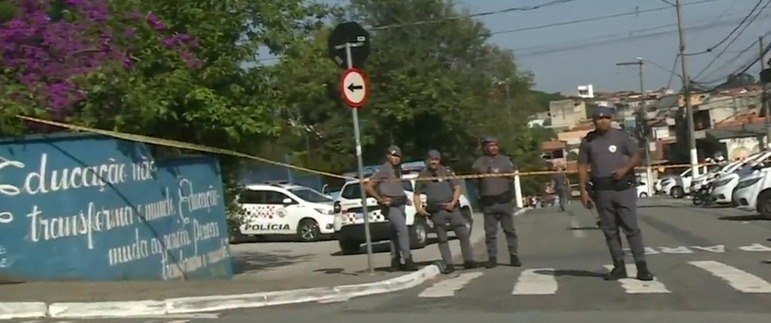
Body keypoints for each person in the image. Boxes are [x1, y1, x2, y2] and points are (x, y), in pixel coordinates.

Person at [577, 106, 654, 281]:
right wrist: (583, 191)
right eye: (599, 117)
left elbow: (636, 155)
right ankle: (619, 266)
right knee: (610, 230)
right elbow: (582, 166)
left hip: (623, 188)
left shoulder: (621, 137)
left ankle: (642, 267)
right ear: (593, 120)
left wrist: (625, 168)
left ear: (611, 119)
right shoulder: (588, 141)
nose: (603, 120)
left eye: (606, 117)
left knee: (631, 228)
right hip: (602, 190)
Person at [414, 150, 476, 274]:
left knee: (463, 234)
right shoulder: (423, 175)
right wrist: (419, 208)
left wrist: (453, 202)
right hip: (437, 211)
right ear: (427, 160)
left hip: (452, 208)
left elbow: (458, 188)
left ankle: (469, 260)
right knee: (442, 239)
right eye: (431, 159)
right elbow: (417, 194)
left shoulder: (446, 171)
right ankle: (448, 264)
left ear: (439, 160)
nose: (433, 162)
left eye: (436, 159)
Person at [365, 145, 417, 272]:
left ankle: (395, 261)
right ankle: (407, 259)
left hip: (400, 203)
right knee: (403, 230)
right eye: (393, 155)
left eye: (398, 156)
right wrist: (380, 199)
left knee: (395, 233)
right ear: (388, 156)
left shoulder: (397, 169)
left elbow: (397, 187)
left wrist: (405, 198)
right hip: (391, 205)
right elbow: (369, 186)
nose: (396, 158)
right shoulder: (384, 169)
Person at [471, 137, 521, 268]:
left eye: (495, 145)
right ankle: (492, 258)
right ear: (485, 147)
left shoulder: (505, 160)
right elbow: (476, 183)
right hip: (489, 203)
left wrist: (510, 196)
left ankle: (514, 256)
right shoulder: (479, 163)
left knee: (509, 231)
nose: (493, 147)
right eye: (490, 145)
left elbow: (511, 178)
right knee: (490, 233)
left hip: (504, 201)